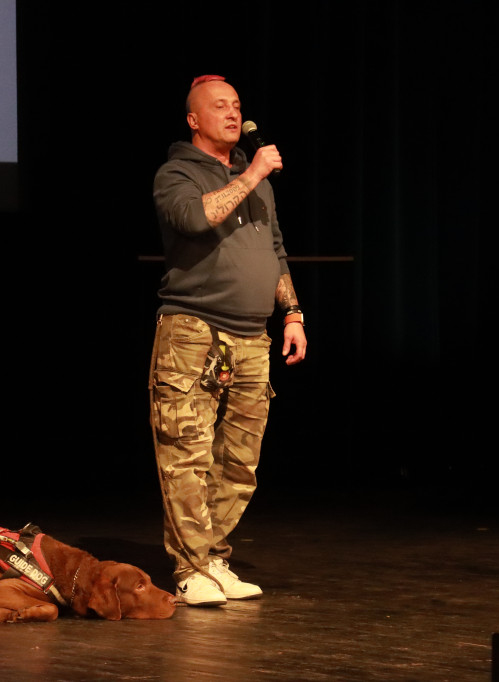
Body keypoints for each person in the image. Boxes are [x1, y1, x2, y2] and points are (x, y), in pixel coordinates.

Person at [149, 74, 307, 607]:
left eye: (237, 105)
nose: (233, 113)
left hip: (252, 337)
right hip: (193, 332)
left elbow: (275, 250)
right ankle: (190, 568)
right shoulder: (176, 173)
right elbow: (196, 217)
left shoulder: (255, 179)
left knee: (240, 463)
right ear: (193, 119)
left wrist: (292, 313)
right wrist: (254, 172)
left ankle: (213, 558)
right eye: (219, 106)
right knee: (186, 456)